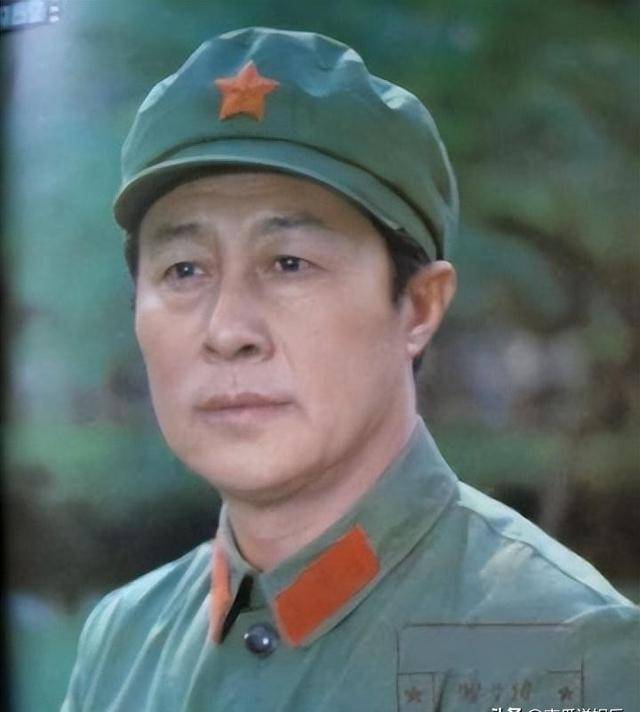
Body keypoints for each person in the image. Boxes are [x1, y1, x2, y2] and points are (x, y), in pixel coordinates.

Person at [62, 27, 638, 712]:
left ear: (418, 306)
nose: (227, 331)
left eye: (289, 264)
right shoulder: (125, 641)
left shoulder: (552, 648)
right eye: (184, 270)